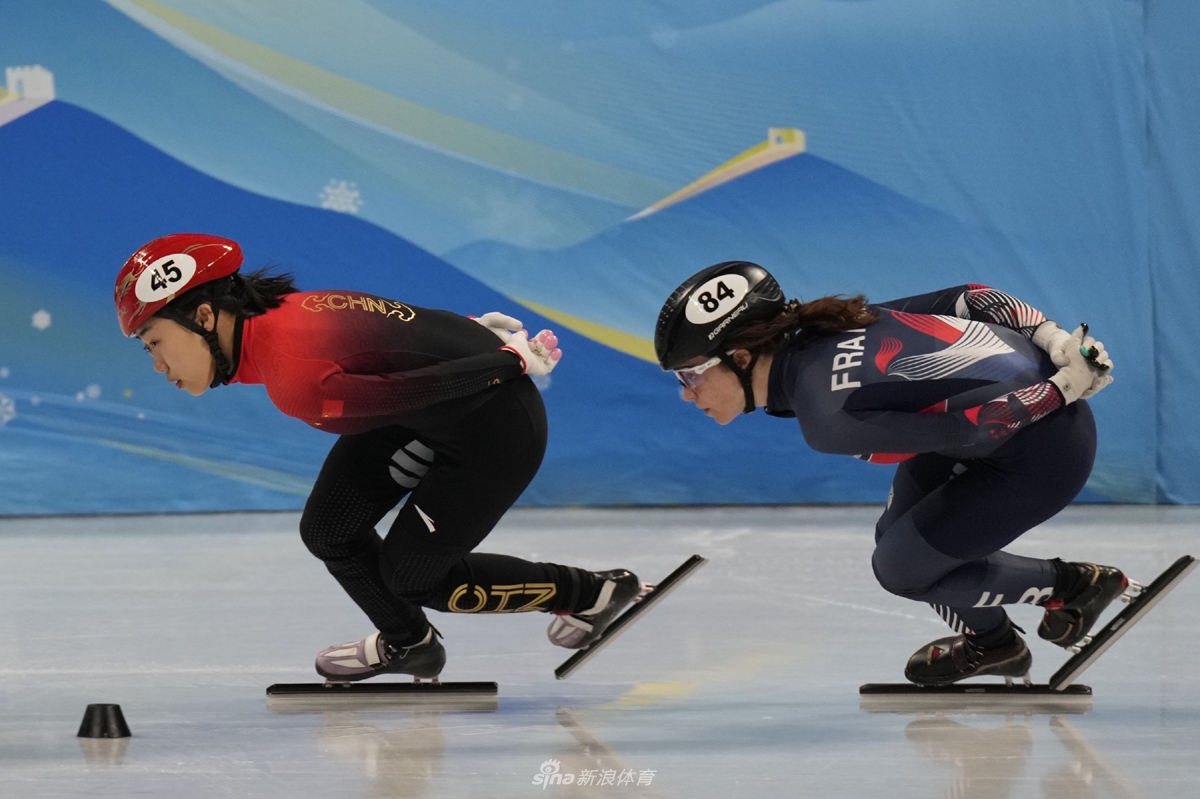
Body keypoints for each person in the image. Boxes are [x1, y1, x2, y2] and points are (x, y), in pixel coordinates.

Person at [114, 232, 640, 683]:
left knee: (412, 576)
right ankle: (409, 643)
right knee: (328, 530)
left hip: (494, 428)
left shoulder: (295, 378)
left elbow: (406, 391)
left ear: (205, 315)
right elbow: (398, 331)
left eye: (155, 342)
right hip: (435, 410)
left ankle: (592, 592)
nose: (157, 364)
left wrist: (501, 361)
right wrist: (473, 331)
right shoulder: (282, 317)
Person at [654, 260, 1119, 685]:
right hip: (1013, 427)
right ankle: (994, 645)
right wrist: (1056, 341)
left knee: (901, 570)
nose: (687, 394)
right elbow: (972, 296)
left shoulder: (826, 419)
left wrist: (1060, 391)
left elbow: (966, 430)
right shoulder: (831, 328)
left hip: (1043, 454)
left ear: (739, 357)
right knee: (896, 537)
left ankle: (1078, 586)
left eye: (689, 375)